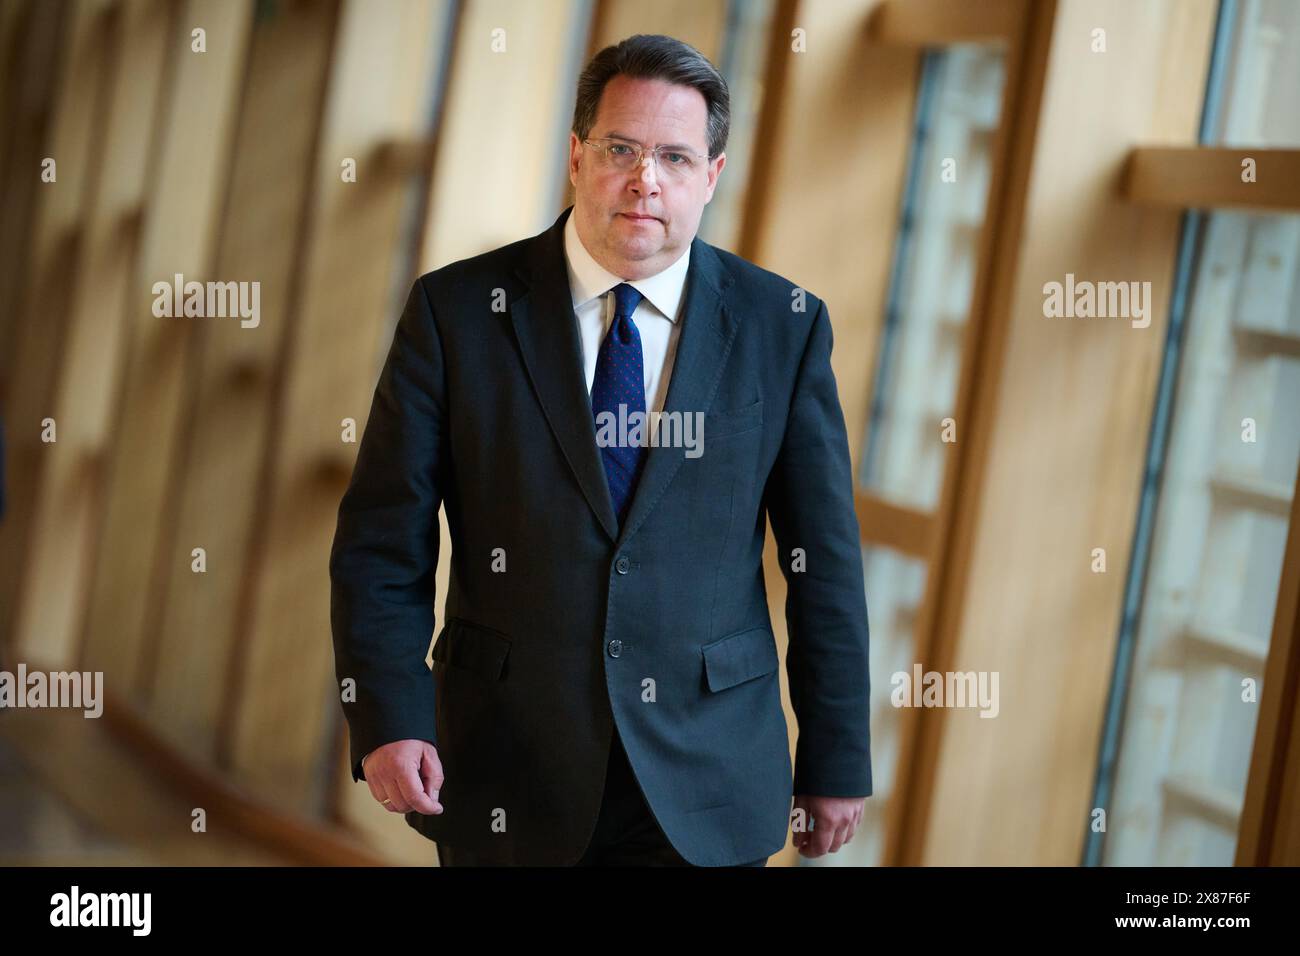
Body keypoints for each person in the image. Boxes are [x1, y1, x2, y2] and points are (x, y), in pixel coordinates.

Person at [329, 33, 871, 867]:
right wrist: (389, 717)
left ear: (712, 176)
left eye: (676, 158)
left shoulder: (782, 327)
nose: (645, 178)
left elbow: (822, 560)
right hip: (506, 762)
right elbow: (381, 541)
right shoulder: (460, 312)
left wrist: (836, 755)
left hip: (707, 773)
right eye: (621, 148)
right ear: (577, 156)